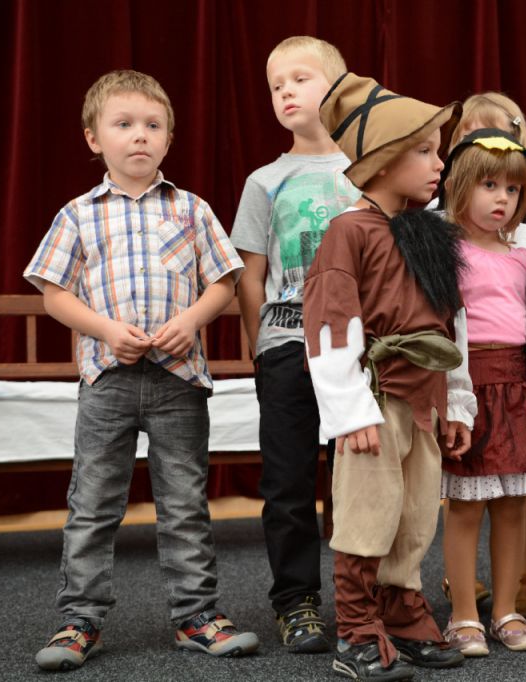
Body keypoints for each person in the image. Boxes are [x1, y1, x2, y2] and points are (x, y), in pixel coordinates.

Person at [24, 70, 257, 670]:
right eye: (123, 124)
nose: (139, 136)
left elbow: (224, 283)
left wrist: (191, 320)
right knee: (93, 502)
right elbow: (54, 294)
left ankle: (195, 615)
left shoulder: (192, 208)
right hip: (108, 380)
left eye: (153, 126)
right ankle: (79, 620)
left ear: (169, 138)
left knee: (184, 502)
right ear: (93, 138)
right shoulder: (79, 214)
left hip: (179, 380)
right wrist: (105, 330)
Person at [305, 72, 476, 680]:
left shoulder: (428, 232)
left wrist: (456, 402)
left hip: (423, 403)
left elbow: (451, 325)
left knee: (413, 516)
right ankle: (356, 628)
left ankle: (402, 613)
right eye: (424, 151)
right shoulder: (349, 232)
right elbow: (330, 324)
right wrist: (350, 411)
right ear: (380, 161)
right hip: (374, 403)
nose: (439, 164)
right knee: (367, 514)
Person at [230, 35, 358, 653]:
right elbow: (250, 274)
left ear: (337, 87)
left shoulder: (368, 169)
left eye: (300, 79)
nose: (285, 92)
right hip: (287, 344)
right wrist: (261, 346)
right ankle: (297, 600)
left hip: (358, 348)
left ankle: (367, 598)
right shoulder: (265, 181)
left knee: (360, 479)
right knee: (288, 483)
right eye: (276, 84)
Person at [431, 92, 526, 619]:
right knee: (465, 506)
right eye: (489, 185)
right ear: (458, 184)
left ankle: (506, 610)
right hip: (469, 385)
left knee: (511, 507)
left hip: (517, 386)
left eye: (512, 188)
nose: (502, 198)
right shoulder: (444, 250)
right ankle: (464, 614)